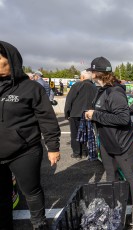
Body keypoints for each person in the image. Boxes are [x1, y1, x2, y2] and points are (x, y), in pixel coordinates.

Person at [0, 41, 61, 229]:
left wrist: (53, 147)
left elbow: (47, 119)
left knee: (31, 191)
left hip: (24, 151)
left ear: (10, 60)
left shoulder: (32, 88)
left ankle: (38, 223)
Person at [84, 57, 133, 225]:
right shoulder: (102, 90)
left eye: (92, 71)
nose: (90, 73)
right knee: (110, 174)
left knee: (130, 175)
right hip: (107, 141)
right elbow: (104, 113)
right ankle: (113, 204)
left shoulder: (115, 92)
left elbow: (123, 119)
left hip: (122, 143)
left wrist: (95, 115)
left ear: (97, 73)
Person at [64, 70, 97, 159]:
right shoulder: (95, 87)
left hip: (76, 113)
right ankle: (84, 152)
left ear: (82, 77)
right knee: (86, 133)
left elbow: (69, 100)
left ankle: (77, 153)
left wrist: (67, 113)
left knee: (75, 134)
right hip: (89, 114)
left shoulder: (77, 85)